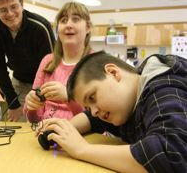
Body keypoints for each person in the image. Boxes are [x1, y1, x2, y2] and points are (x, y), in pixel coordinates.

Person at [38, 51, 187, 173]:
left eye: (92, 97)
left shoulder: (165, 89)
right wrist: (64, 130)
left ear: (113, 72)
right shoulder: (126, 100)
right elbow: (92, 119)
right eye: (89, 106)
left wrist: (83, 149)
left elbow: (170, 155)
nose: (95, 111)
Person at [0, 0, 55, 122]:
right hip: (19, 83)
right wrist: (13, 103)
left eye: (14, 6)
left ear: (22, 4)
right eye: (3, 10)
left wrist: (39, 96)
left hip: (45, 83)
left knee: (44, 125)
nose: (10, 14)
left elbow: (51, 67)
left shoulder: (40, 27)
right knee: (17, 128)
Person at [23, 2, 92, 123]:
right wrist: (31, 106)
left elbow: (98, 121)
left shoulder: (96, 63)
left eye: (75, 19)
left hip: (83, 136)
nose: (68, 25)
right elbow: (34, 119)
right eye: (64, 20)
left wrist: (68, 98)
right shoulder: (48, 61)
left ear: (88, 27)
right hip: (46, 133)